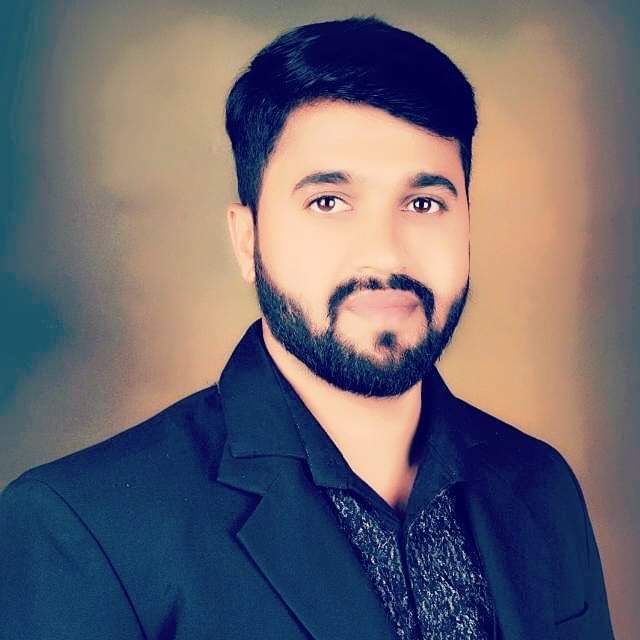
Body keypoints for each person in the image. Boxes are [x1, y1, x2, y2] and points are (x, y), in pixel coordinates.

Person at [0, 16, 615, 640]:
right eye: (328, 202)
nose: (385, 255)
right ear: (248, 239)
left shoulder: (541, 486)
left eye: (423, 203)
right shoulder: (82, 530)